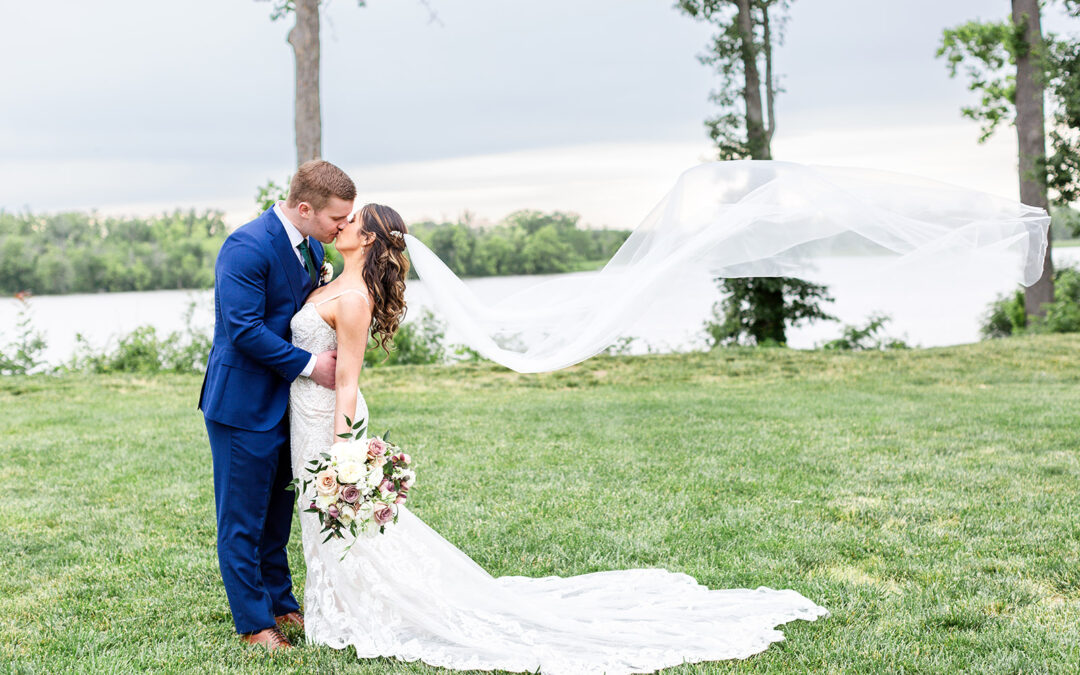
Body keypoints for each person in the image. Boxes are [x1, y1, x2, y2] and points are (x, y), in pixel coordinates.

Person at [286, 202, 828, 673]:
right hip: (308, 411)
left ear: (372, 238)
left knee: (336, 514)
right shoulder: (331, 276)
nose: (343, 222)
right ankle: (338, 602)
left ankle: (351, 610)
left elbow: (350, 382)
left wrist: (346, 456)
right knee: (328, 521)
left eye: (353, 219)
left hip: (330, 423)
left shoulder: (354, 298)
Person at [198, 159, 354, 650]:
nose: (344, 227)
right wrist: (311, 365)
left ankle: (282, 605)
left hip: (288, 405)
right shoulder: (246, 246)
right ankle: (253, 624)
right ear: (304, 208)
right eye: (337, 219)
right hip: (242, 404)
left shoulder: (310, 245)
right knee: (242, 518)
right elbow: (243, 329)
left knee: (277, 514)